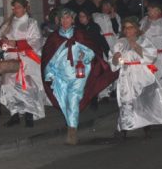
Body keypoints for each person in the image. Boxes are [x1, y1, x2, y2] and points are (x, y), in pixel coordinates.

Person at [41, 8, 118, 145]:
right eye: (63, 18)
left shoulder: (80, 34)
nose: (65, 21)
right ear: (59, 20)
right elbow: (48, 58)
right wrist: (50, 74)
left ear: (72, 20)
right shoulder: (54, 38)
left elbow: (92, 52)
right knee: (63, 102)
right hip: (60, 76)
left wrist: (85, 56)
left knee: (73, 99)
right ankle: (71, 123)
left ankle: (72, 131)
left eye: (68, 18)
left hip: (78, 74)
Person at [110, 17, 162, 138]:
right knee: (126, 100)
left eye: (130, 27)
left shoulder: (143, 41)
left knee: (143, 99)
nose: (128, 30)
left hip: (141, 72)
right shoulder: (119, 42)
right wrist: (116, 58)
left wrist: (136, 46)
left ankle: (146, 125)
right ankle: (125, 127)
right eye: (125, 28)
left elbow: (151, 56)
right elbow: (114, 61)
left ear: (136, 29)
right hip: (126, 73)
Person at [0, 0, 47, 127]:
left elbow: (36, 40)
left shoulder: (31, 23)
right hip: (11, 60)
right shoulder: (7, 24)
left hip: (27, 59)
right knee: (8, 85)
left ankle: (29, 114)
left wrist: (18, 43)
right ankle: (15, 114)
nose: (15, 9)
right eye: (14, 7)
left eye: (18, 7)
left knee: (27, 86)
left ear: (25, 8)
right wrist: (5, 44)